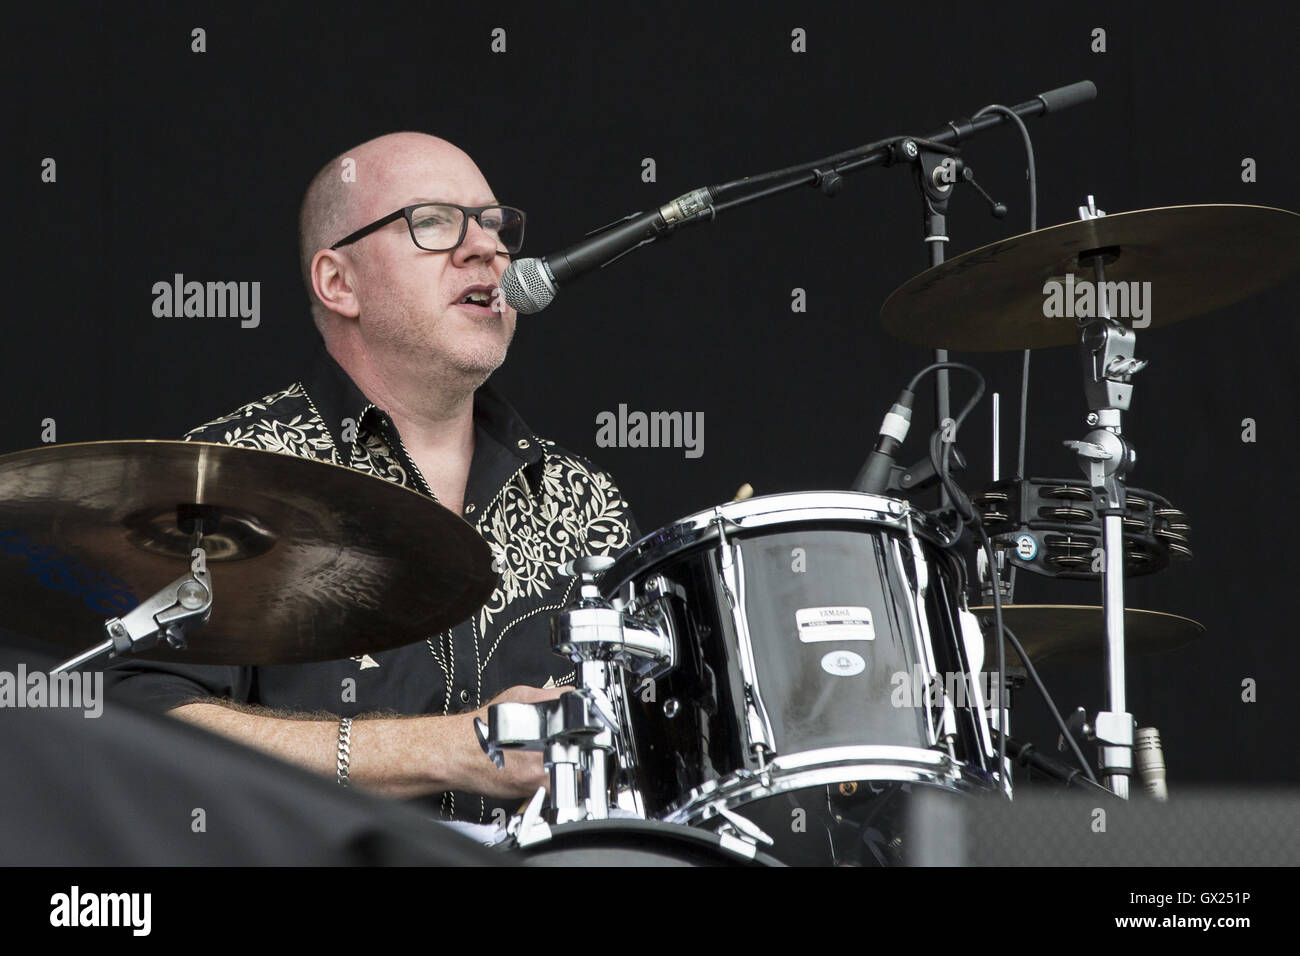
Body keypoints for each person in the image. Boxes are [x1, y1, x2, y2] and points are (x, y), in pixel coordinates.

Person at [107, 132, 639, 825]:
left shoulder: (585, 501)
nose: (488, 249)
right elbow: (144, 726)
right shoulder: (233, 473)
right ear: (339, 283)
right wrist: (453, 749)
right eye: (435, 222)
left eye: (494, 224)